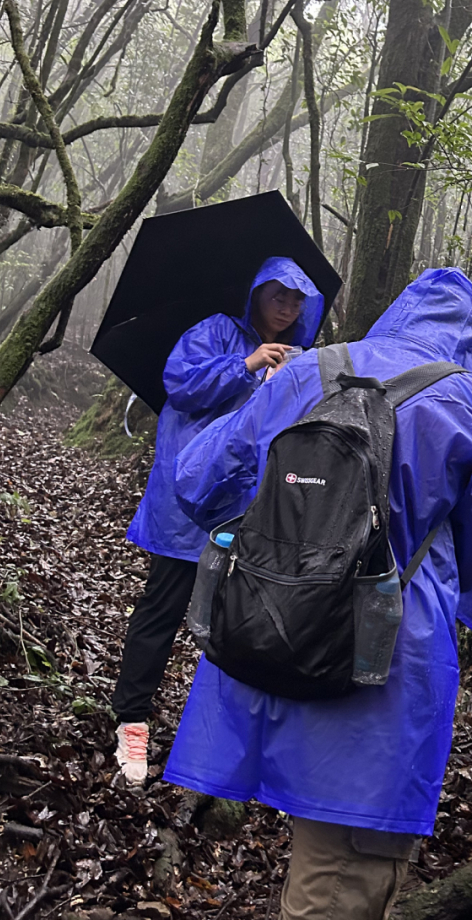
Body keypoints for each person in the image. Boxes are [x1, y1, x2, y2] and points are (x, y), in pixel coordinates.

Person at [165, 267, 472, 920]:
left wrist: (289, 528)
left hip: (268, 628)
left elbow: (197, 479)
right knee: (347, 872)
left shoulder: (306, 370)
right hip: (384, 659)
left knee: (321, 862)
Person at [113, 256, 323, 786]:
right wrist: (247, 364)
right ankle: (131, 721)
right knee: (163, 608)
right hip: (188, 502)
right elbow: (179, 386)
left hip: (250, 510)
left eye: (297, 300)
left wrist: (285, 383)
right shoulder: (215, 332)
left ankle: (221, 739)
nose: (287, 307)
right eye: (279, 295)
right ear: (255, 293)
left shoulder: (297, 357)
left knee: (241, 621)